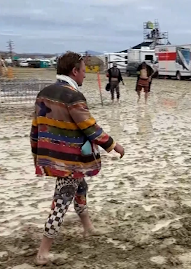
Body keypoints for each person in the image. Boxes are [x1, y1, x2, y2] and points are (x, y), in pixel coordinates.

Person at [30, 51, 125, 265]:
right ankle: (43, 251)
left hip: (52, 156)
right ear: (74, 71)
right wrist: (113, 145)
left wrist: (37, 154)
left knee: (81, 188)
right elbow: (90, 127)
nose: (85, 75)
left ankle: (88, 227)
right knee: (62, 200)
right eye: (83, 71)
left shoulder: (44, 92)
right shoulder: (73, 96)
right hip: (69, 160)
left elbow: (35, 127)